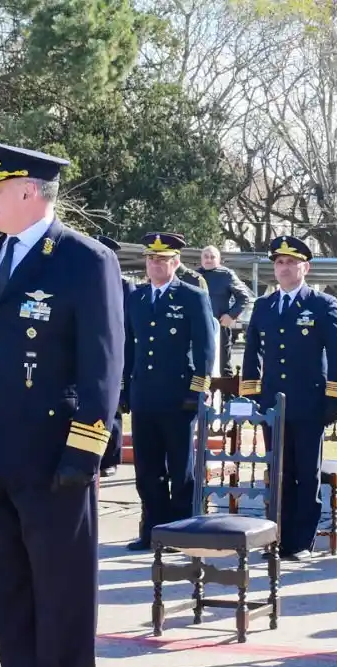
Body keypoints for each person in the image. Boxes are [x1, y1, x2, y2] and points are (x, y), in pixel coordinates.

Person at [0, 140, 124, 667]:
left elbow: (104, 365)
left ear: (30, 191)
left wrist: (85, 450)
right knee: (9, 585)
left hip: (54, 456)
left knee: (61, 586)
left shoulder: (83, 260)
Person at [240, 235, 337, 561]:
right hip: (273, 405)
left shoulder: (321, 304)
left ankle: (301, 541)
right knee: (278, 474)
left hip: (309, 404)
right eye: (279, 262)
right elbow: (251, 354)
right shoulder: (264, 306)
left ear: (306, 267)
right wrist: (252, 396)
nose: (284, 268)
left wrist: (334, 400)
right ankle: (276, 537)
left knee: (305, 474)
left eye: (290, 262)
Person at [122, 232, 214, 553]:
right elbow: (128, 347)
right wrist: (124, 389)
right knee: (147, 469)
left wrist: (198, 390)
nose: (154, 264)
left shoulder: (191, 296)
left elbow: (205, 347)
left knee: (180, 468)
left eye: (161, 259)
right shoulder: (136, 297)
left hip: (178, 397)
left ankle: (181, 530)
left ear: (175, 263)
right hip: (144, 395)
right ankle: (152, 529)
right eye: (150, 258)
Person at [96, 234, 136, 478]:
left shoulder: (124, 285)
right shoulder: (82, 281)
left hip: (115, 352)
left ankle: (111, 458)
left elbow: (129, 327)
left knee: (115, 408)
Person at [197, 245, 253, 375]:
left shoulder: (226, 275)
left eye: (212, 257)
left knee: (223, 366)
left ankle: (227, 395)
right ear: (201, 259)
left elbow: (244, 297)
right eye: (206, 256)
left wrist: (231, 315)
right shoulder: (194, 276)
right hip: (197, 327)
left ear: (219, 259)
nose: (209, 260)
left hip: (219, 327)